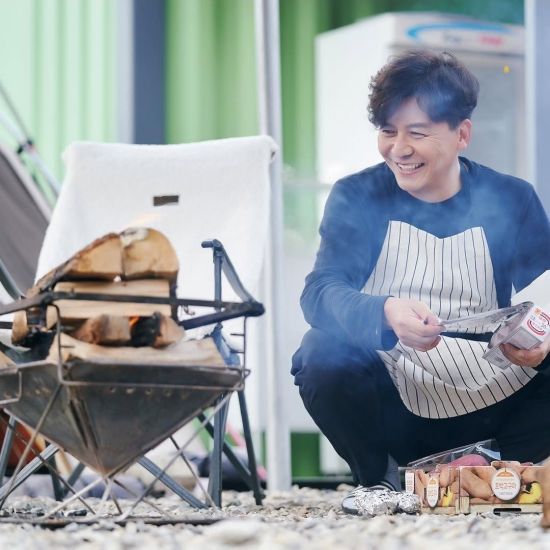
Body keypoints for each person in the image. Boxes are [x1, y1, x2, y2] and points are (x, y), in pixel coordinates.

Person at [291, 50, 550, 514]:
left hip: (497, 393)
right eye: (388, 131)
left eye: (417, 132)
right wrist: (384, 311)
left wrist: (541, 340)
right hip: (398, 396)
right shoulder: (357, 195)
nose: (399, 148)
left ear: (462, 134)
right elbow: (320, 292)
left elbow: (545, 295)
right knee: (320, 352)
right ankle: (381, 481)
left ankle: (496, 467)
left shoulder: (512, 198)